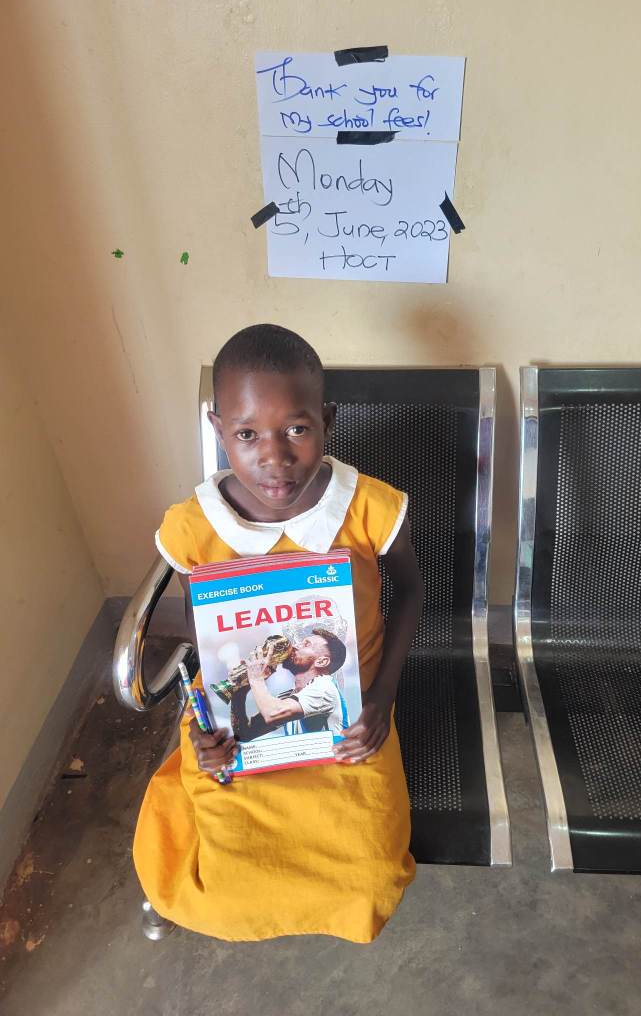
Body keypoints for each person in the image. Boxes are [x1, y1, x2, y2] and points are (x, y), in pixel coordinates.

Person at [133, 324, 425, 943]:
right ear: (218, 430)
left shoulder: (367, 508)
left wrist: (381, 701)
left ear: (327, 420)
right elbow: (205, 639)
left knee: (371, 878)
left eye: (296, 429)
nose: (274, 457)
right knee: (223, 879)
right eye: (247, 435)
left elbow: (411, 592)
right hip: (238, 733)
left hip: (352, 722)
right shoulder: (193, 529)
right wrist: (204, 728)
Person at [230, 629, 348, 740]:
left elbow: (272, 714)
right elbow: (243, 734)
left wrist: (256, 679)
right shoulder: (289, 698)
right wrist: (239, 693)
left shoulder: (324, 688)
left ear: (321, 661)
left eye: (306, 644)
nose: (295, 646)